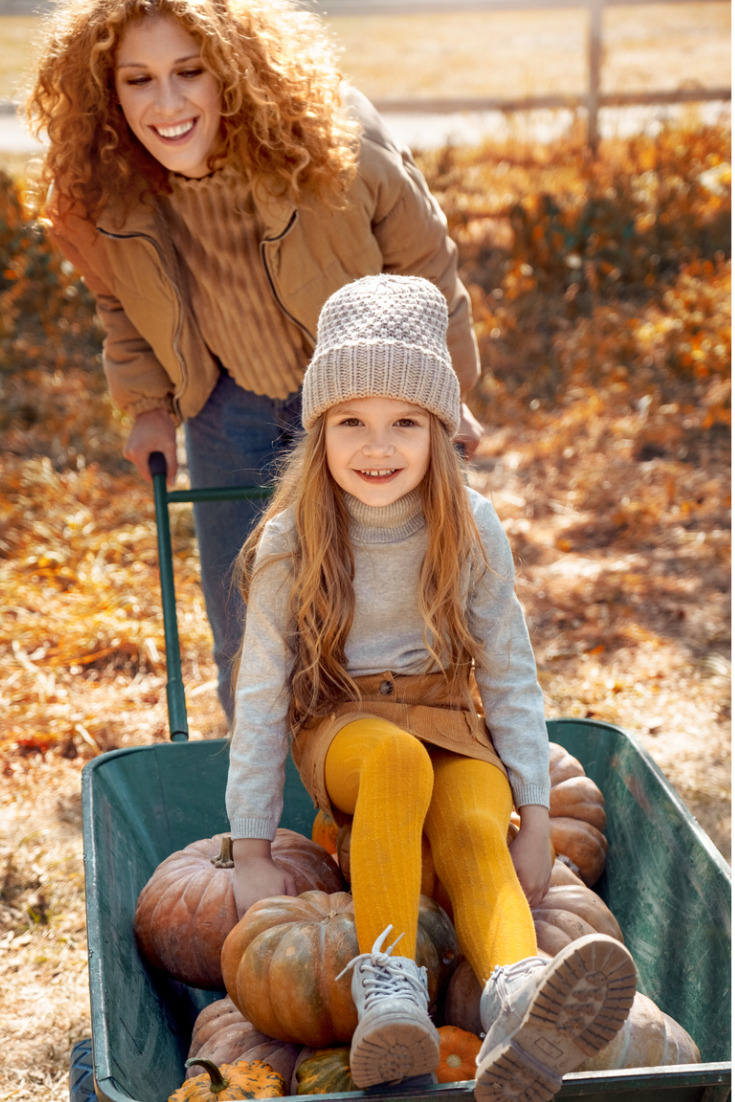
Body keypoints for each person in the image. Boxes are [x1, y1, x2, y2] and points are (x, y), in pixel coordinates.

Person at [226, 274, 637, 1100]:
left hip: (450, 715)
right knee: (396, 765)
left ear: (438, 430)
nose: (377, 447)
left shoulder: (470, 524)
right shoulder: (292, 538)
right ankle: (390, 993)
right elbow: (264, 696)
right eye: (352, 423)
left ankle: (518, 994)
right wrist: (248, 847)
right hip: (345, 725)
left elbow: (510, 672)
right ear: (319, 431)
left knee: (472, 822)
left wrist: (536, 815)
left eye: (404, 423)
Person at [26, 0, 484, 721]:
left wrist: (442, 396)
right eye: (137, 79)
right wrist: (148, 408)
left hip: (356, 398)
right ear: (107, 92)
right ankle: (261, 789)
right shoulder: (104, 192)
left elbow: (426, 269)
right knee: (245, 609)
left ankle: (399, 749)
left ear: (233, 72)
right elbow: (120, 304)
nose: (167, 103)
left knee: (378, 591)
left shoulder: (334, 145)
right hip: (226, 405)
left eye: (189, 71)